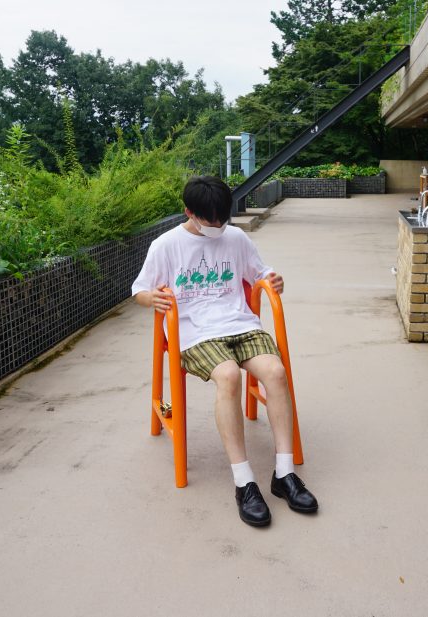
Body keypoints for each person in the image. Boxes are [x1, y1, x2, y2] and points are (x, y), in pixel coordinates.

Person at [132, 176, 318, 527]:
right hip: (194, 331)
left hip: (239, 323)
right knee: (229, 375)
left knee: (276, 372)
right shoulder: (166, 245)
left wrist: (274, 279)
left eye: (223, 219)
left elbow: (261, 272)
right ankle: (244, 481)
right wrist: (151, 298)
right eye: (210, 220)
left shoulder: (236, 238)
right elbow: (139, 289)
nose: (218, 226)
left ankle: (284, 473)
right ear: (189, 212)